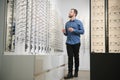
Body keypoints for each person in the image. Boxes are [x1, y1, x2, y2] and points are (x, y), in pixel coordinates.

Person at [62, 8, 84, 79]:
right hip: (68, 43)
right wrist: (64, 32)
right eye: (69, 12)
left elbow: (82, 31)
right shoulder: (67, 23)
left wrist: (73, 30)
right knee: (70, 58)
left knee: (76, 57)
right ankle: (70, 73)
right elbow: (66, 34)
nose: (69, 13)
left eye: (71, 12)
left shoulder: (79, 22)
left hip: (76, 42)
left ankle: (76, 72)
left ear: (74, 14)